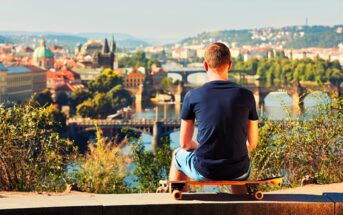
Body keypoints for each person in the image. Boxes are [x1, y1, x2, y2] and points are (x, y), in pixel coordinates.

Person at [168, 42, 259, 193]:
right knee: (239, 167)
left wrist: (201, 148)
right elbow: (253, 143)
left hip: (205, 170)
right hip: (239, 170)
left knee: (177, 155)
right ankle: (240, 203)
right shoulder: (247, 95)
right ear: (229, 65)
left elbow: (184, 143)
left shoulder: (192, 96)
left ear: (205, 65)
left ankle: (178, 203)